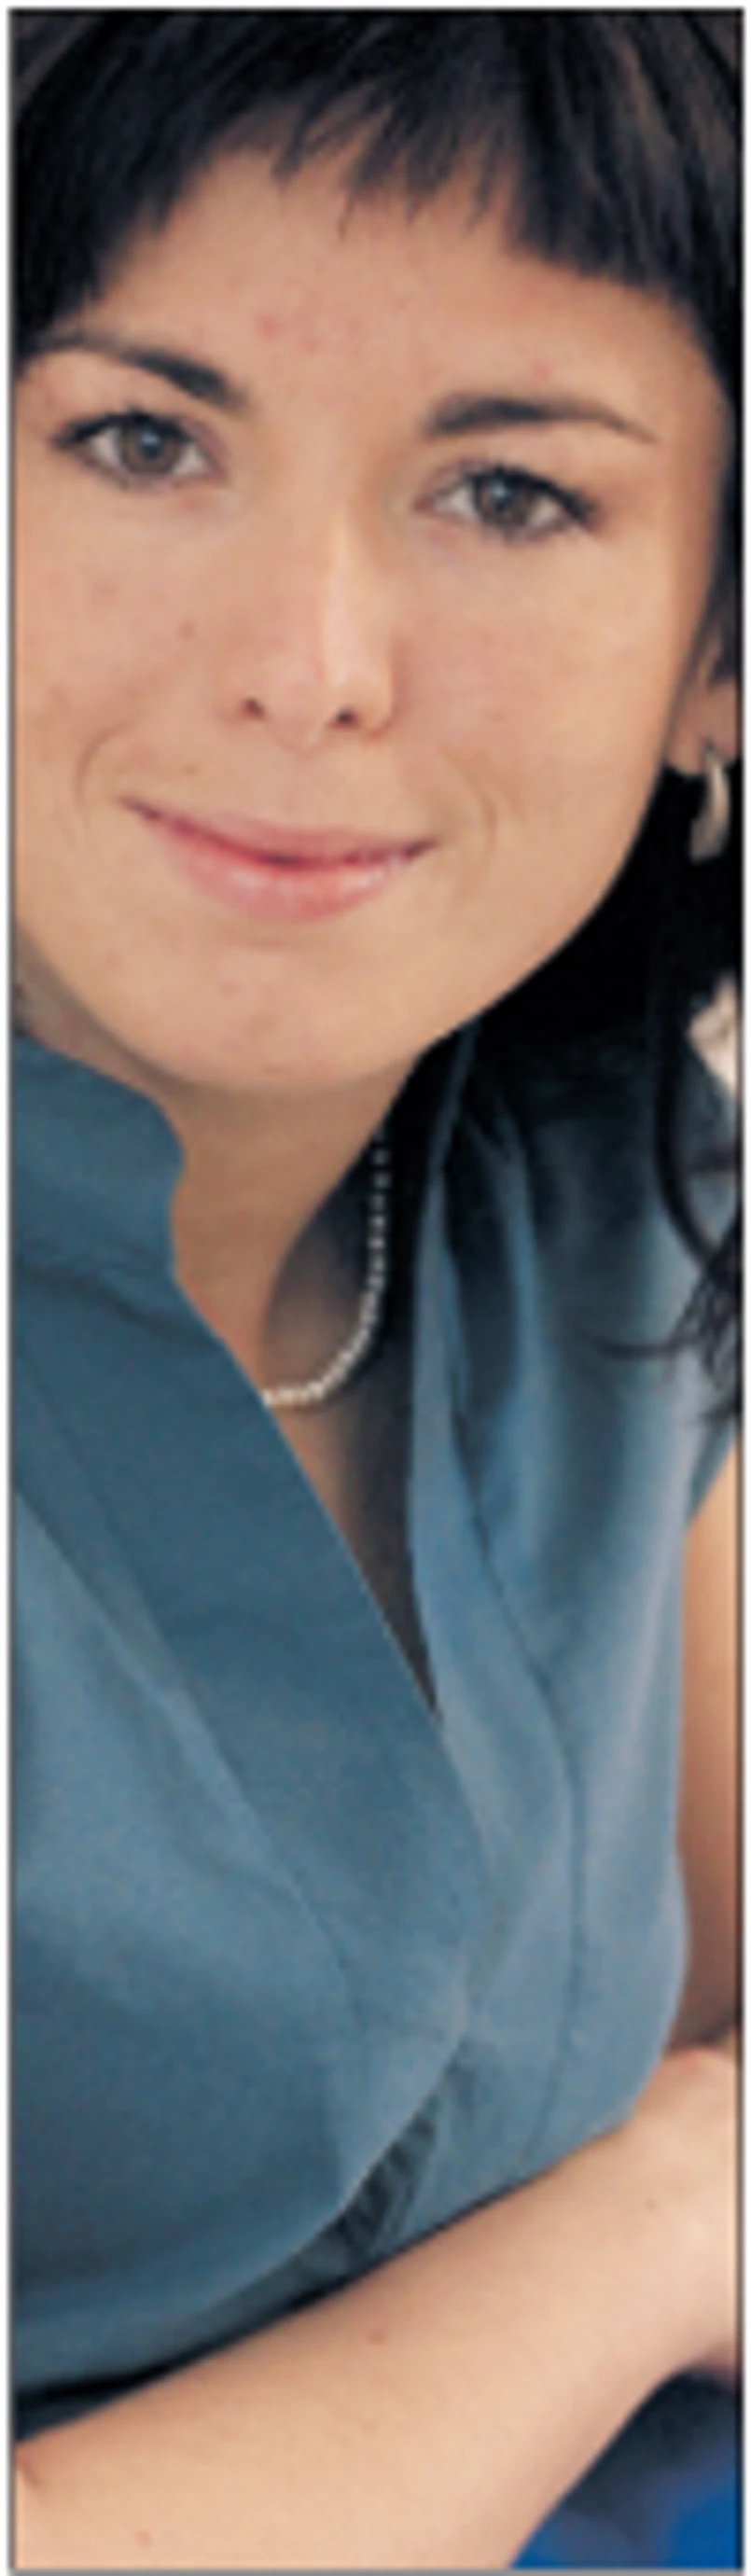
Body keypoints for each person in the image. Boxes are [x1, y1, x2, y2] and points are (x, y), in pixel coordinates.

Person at [14, 11, 741, 2568]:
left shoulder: (597, 1190)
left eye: (510, 491)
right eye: (141, 440)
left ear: (717, 658)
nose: (309, 659)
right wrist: (648, 2237)